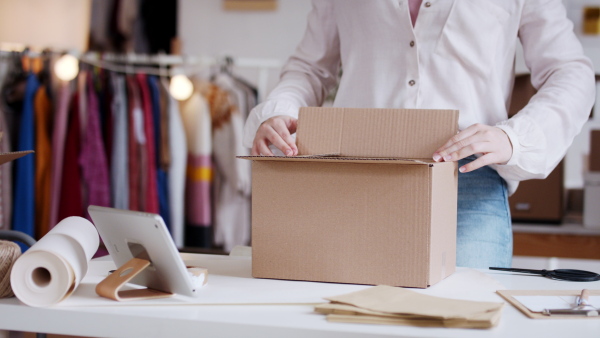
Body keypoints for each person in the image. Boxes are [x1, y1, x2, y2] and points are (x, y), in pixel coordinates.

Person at [242, 0, 596, 268]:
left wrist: (515, 137)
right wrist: (279, 111)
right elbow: (311, 67)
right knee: (347, 318)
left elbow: (569, 72)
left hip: (467, 181)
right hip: (353, 175)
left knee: (463, 319)